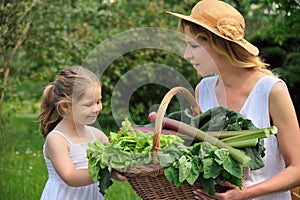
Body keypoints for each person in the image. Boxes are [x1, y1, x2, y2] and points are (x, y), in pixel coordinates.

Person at [167, 0, 300, 199]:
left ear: (218, 45)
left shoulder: (271, 90)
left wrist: (244, 194)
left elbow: (297, 169)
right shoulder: (202, 90)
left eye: (193, 46)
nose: (187, 55)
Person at [37, 66, 125, 200]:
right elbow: (70, 176)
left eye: (98, 101)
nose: (96, 108)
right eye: (89, 104)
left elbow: (112, 159)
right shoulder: (57, 139)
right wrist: (105, 170)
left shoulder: (97, 135)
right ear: (66, 106)